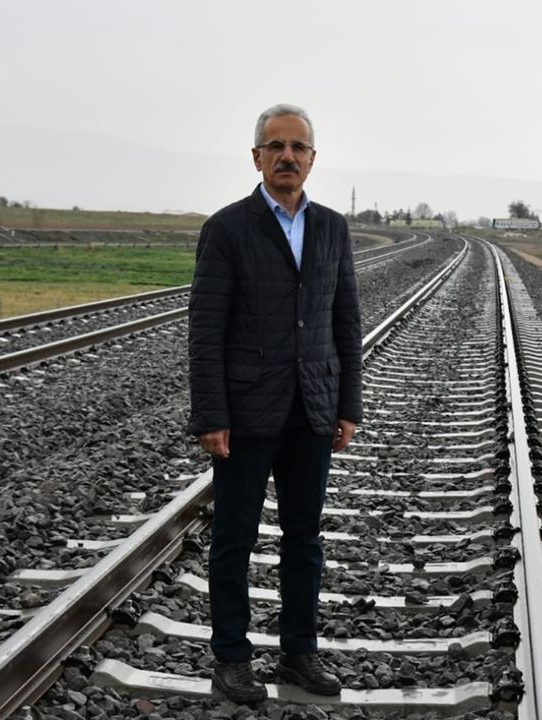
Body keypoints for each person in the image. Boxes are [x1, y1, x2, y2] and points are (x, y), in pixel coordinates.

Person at [187, 103, 363, 704]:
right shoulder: (227, 228)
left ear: (312, 159)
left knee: (304, 539)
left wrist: (348, 405)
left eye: (298, 147)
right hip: (245, 414)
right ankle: (231, 659)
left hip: (312, 410)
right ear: (257, 156)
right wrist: (211, 415)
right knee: (234, 539)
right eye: (276, 146)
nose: (287, 156)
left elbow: (345, 321)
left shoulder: (333, 228)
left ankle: (298, 652)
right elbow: (205, 330)